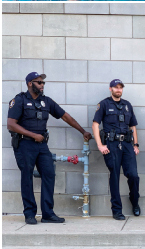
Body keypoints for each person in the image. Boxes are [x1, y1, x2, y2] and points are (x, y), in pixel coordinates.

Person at [7, 72, 92, 225]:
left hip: (41, 145)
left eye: (43, 83)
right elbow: (11, 124)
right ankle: (30, 214)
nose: (42, 85)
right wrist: (33, 135)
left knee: (49, 174)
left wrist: (83, 131)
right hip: (24, 145)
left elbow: (66, 117)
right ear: (29, 84)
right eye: (39, 82)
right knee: (27, 177)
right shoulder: (19, 100)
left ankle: (47, 214)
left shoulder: (46, 102)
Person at [92, 79, 140, 220]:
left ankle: (135, 202)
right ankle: (117, 210)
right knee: (114, 176)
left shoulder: (127, 105)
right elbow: (95, 125)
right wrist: (100, 145)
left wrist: (136, 145)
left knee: (133, 175)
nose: (118, 90)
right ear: (110, 89)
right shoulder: (104, 104)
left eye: (120, 87)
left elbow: (133, 127)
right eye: (115, 87)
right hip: (111, 144)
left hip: (126, 144)